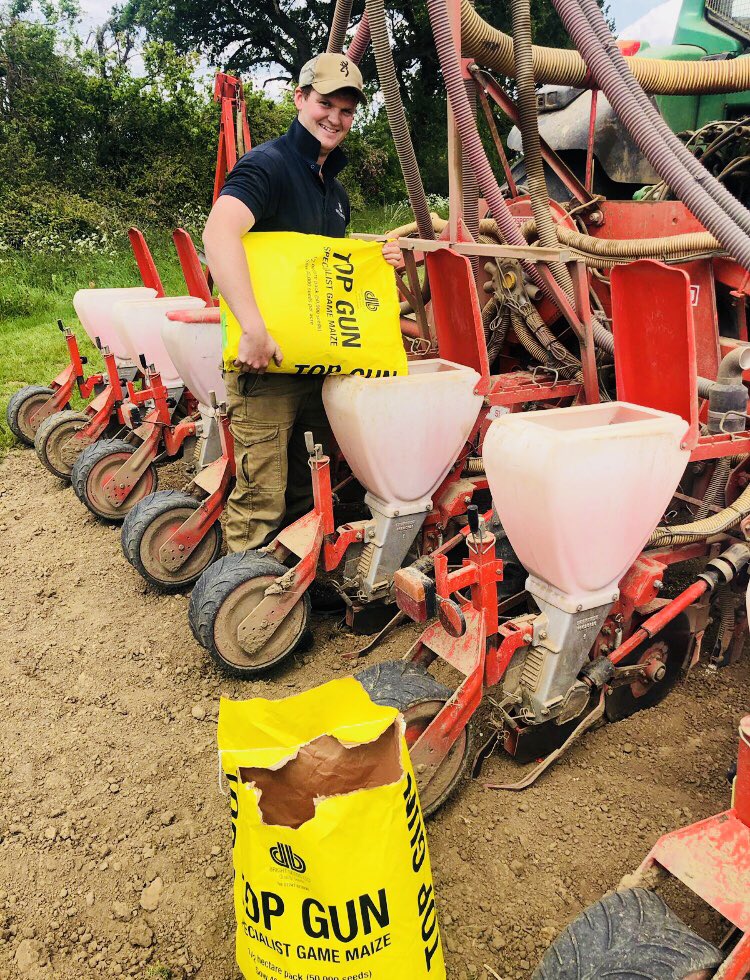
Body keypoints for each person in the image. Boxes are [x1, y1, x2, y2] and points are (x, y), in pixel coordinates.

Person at [203, 53, 401, 553]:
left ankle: (294, 597)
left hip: (316, 370)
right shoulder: (266, 167)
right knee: (260, 500)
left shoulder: (334, 193)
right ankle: (245, 614)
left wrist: (376, 262)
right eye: (324, 103)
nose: (334, 118)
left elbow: (320, 272)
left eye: (347, 110)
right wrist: (251, 327)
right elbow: (219, 233)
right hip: (265, 364)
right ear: (299, 99)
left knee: (306, 492)